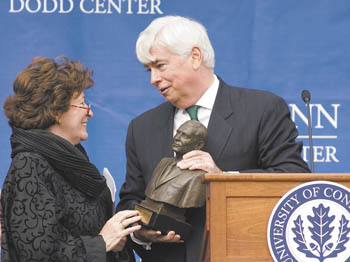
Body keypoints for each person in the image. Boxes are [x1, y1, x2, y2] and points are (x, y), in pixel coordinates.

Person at [116, 16, 310, 262]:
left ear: (195, 57)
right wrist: (142, 233)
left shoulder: (262, 109)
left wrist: (223, 180)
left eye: (160, 66)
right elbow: (129, 201)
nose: (153, 79)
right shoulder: (141, 127)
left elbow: (293, 178)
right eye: (149, 69)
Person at [1, 57, 141, 262]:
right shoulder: (30, 165)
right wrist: (102, 242)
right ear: (56, 111)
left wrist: (116, 241)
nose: (90, 113)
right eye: (82, 104)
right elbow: (36, 254)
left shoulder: (71, 162)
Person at [144, 120, 208, 208]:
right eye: (178, 133)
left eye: (185, 136)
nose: (177, 138)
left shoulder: (198, 176)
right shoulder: (163, 162)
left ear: (199, 145)